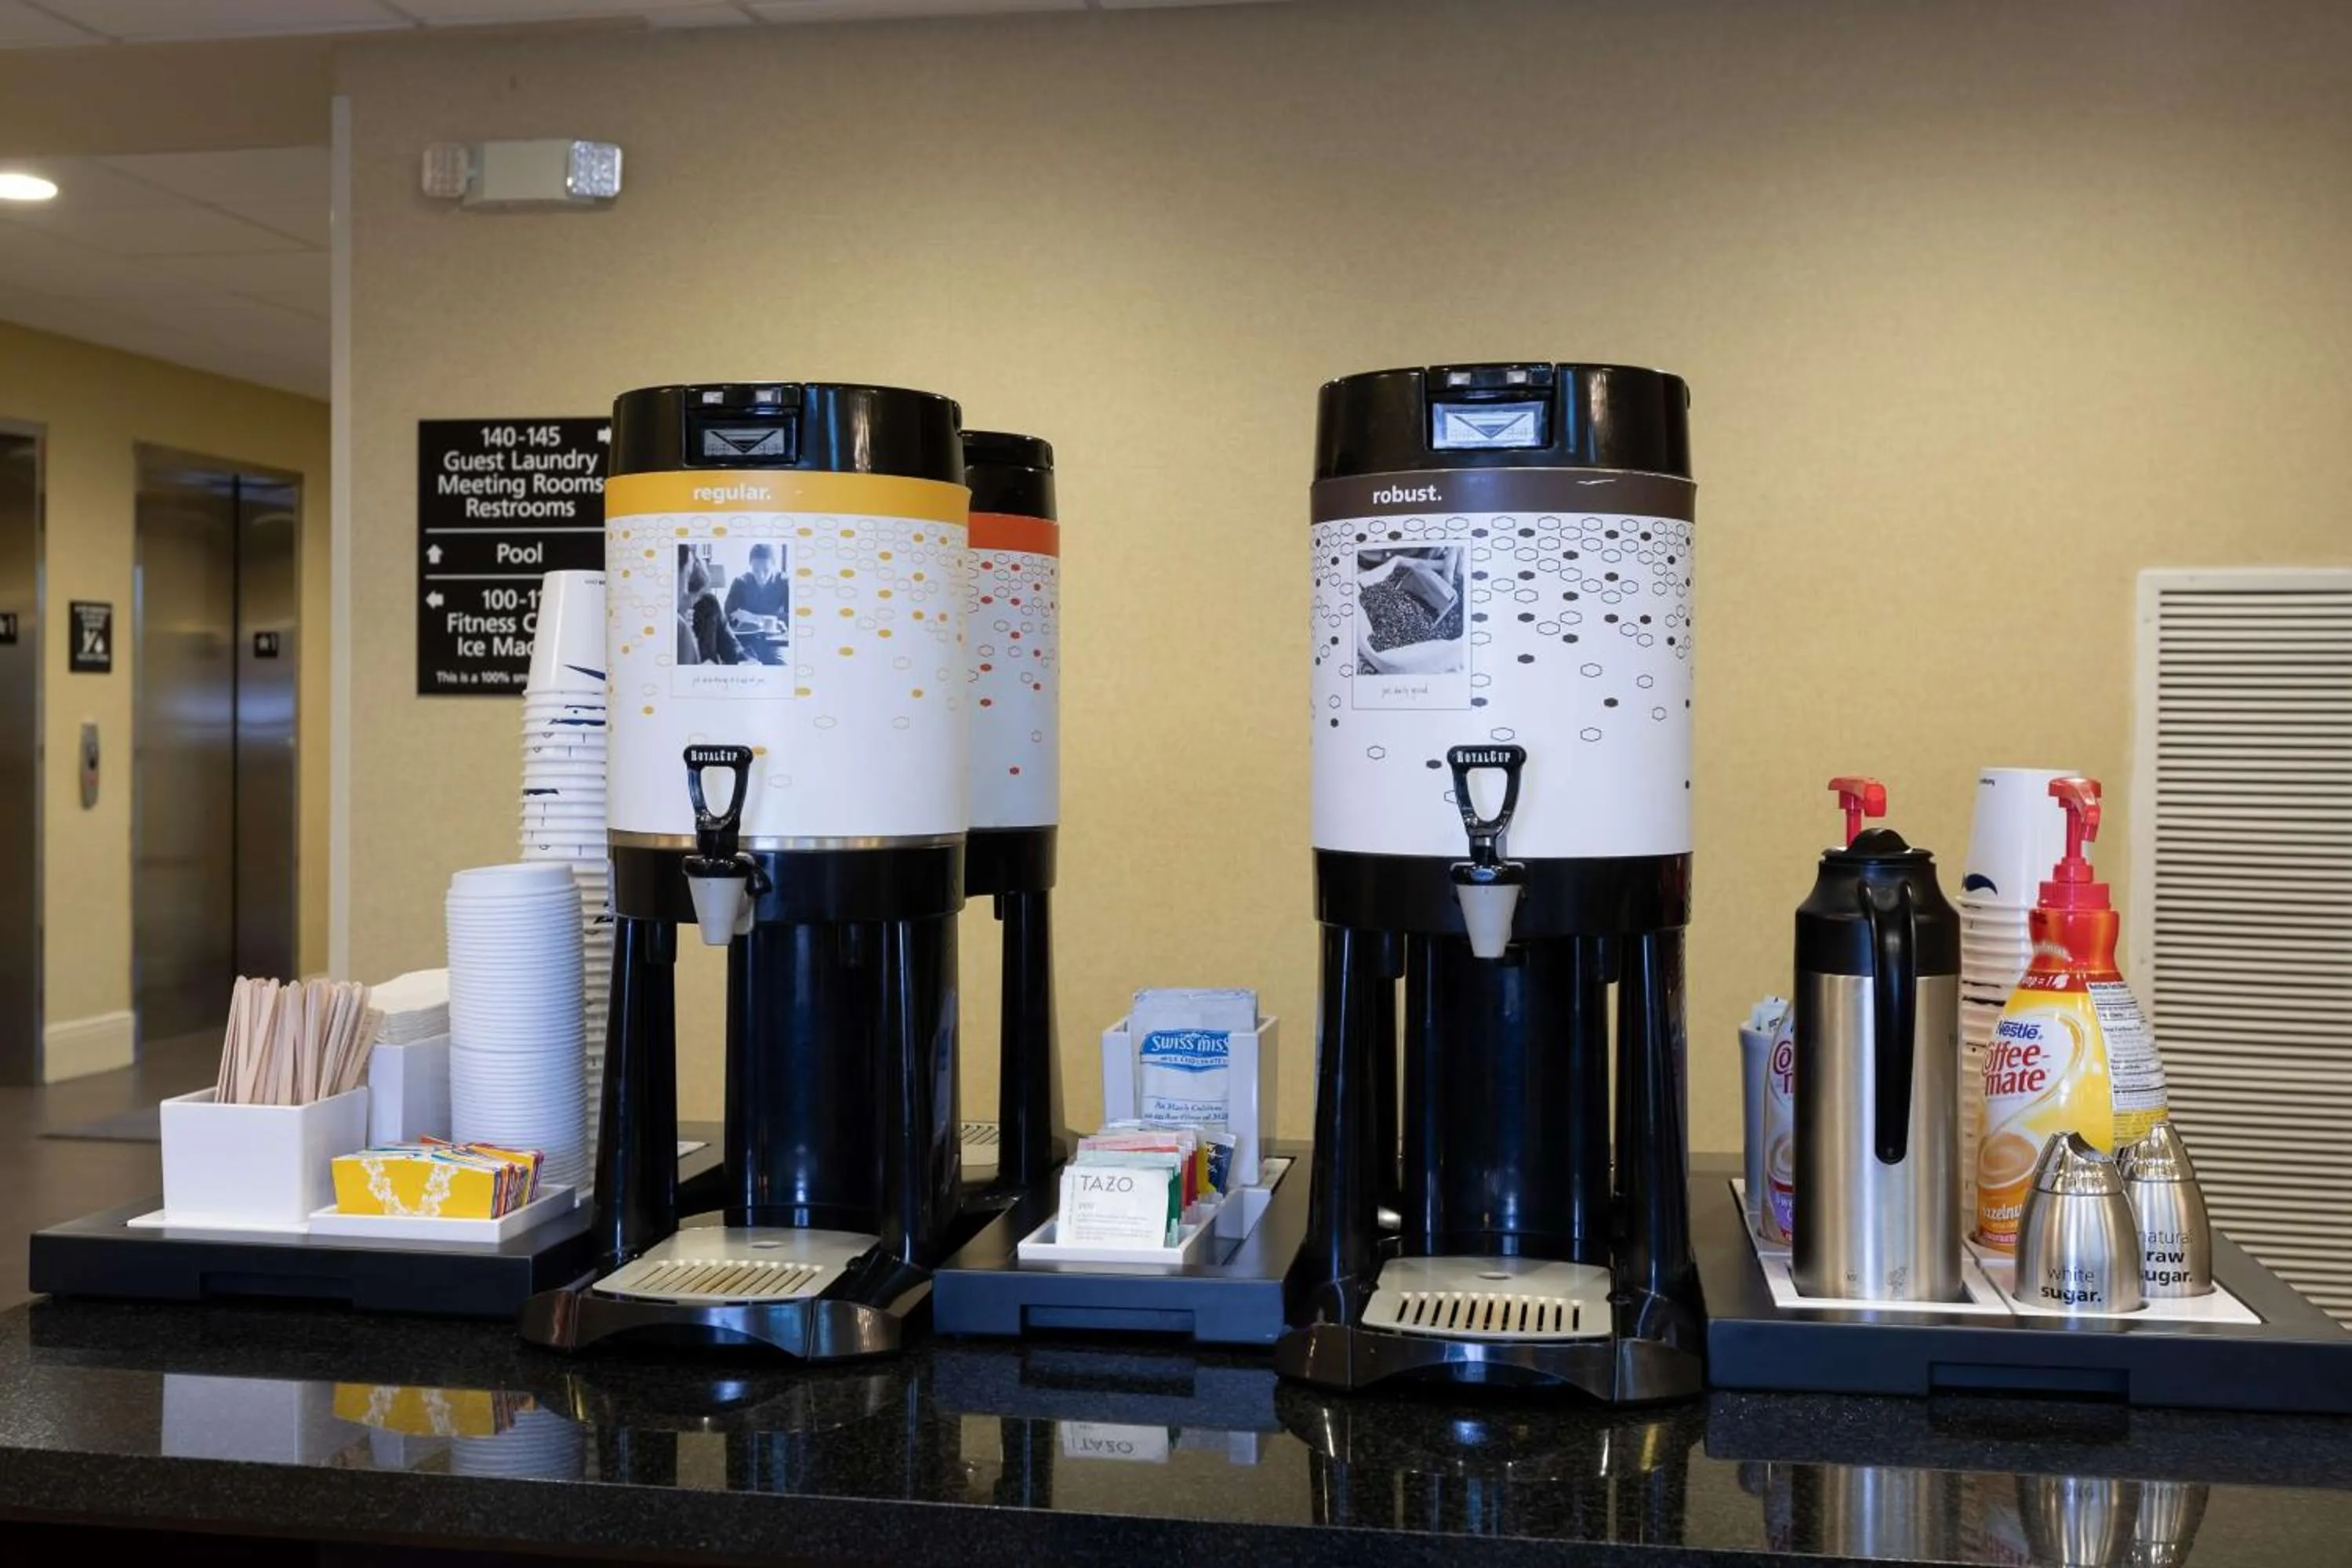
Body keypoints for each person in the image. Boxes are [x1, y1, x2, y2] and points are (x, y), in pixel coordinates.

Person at [683, 557, 742, 666]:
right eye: (687, 596)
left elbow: (731, 647)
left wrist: (746, 661)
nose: (692, 603)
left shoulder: (709, 603)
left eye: (697, 596)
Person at [725, 543, 789, 630]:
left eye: (766, 570)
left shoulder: (784, 583)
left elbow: (794, 619)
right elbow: (727, 617)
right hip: (747, 637)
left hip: (777, 638)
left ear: (774, 566)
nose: (761, 576)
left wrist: (753, 618)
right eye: (756, 570)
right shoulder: (740, 583)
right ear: (750, 566)